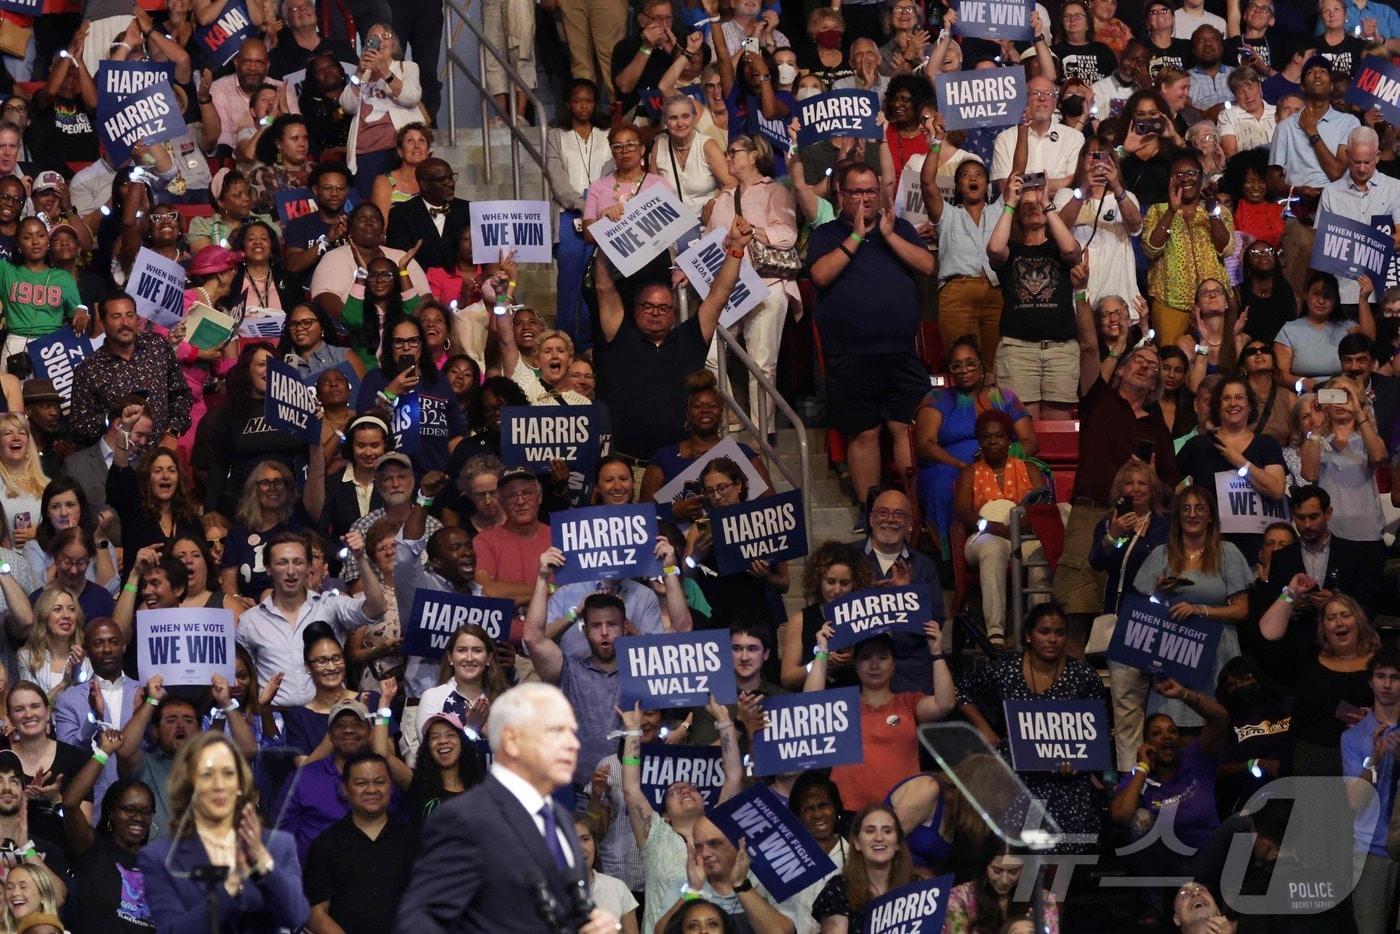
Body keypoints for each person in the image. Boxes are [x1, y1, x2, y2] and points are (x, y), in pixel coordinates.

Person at [393, 683, 622, 932]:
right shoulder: (463, 817)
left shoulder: (559, 820)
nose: (572, 745)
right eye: (554, 733)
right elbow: (420, 918)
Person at [807, 162, 934, 513]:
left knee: (904, 425)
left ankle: (912, 512)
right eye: (857, 192)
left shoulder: (899, 228)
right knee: (863, 432)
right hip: (849, 353)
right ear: (841, 195)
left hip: (899, 351)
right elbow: (819, 275)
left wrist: (890, 236)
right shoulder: (827, 234)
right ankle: (870, 511)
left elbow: (926, 266)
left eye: (871, 191)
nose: (865, 198)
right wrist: (857, 236)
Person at [592, 218, 748, 465]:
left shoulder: (689, 338)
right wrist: (604, 244)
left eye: (663, 307)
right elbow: (603, 287)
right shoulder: (619, 333)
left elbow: (719, 294)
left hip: (681, 465)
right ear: (636, 309)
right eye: (648, 306)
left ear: (673, 313)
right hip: (629, 465)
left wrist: (736, 248)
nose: (655, 312)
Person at [955, 604, 1109, 852]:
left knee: (1070, 816)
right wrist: (984, 729)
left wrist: (1081, 762)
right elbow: (960, 690)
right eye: (1044, 631)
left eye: (1059, 633)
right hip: (1015, 768)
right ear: (1028, 635)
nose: (1052, 639)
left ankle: (1054, 889)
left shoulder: (1083, 675)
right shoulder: (1005, 668)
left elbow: (1095, 727)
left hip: (1065, 776)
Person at [139, 732, 308, 931]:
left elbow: (296, 917)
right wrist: (229, 889)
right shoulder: (160, 858)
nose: (219, 785)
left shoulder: (279, 845)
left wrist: (263, 863)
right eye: (207, 775)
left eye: (228, 773)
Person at [617, 696, 744, 934]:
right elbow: (631, 789)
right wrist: (633, 733)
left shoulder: (720, 826)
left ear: (705, 803)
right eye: (675, 791)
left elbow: (734, 776)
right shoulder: (654, 834)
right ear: (665, 814)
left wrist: (724, 721)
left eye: (691, 788)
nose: (685, 790)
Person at [1109, 680, 1230, 926]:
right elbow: (1120, 816)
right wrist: (1142, 767)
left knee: (1240, 823)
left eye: (1171, 731)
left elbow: (1220, 718)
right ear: (1147, 744)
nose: (1166, 736)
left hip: (1207, 859)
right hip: (1170, 865)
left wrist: (1183, 694)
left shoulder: (1195, 758)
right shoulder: (1140, 776)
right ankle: (1152, 904)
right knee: (1140, 820)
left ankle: (1233, 899)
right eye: (1157, 733)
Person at [702, 133, 796, 436]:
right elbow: (707, 244)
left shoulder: (775, 191)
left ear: (754, 156)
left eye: (733, 152)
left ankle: (761, 435)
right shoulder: (722, 199)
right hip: (731, 288)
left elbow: (787, 234)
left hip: (767, 283)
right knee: (709, 356)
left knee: (762, 363)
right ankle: (730, 414)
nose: (728, 157)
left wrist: (751, 231)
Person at [806, 623, 953, 812]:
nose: (874, 665)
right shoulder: (841, 706)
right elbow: (808, 708)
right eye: (865, 658)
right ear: (856, 665)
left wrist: (937, 653)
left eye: (882, 658)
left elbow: (945, 704)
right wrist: (822, 651)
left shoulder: (908, 702)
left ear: (893, 665)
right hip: (848, 812)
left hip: (902, 811)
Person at [236, 530, 384, 706]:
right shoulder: (249, 622)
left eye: (298, 562)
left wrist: (360, 558)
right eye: (282, 563)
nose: (291, 571)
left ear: (308, 567)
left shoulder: (330, 605)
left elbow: (377, 608)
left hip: (327, 714)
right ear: (268, 568)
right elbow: (245, 681)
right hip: (276, 719)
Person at [954, 410, 1049, 647]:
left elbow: (1042, 506)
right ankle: (995, 634)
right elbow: (963, 512)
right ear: (980, 440)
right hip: (984, 535)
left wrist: (1020, 524)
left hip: (1023, 535)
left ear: (1010, 439)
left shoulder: (1029, 469)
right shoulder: (970, 472)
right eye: (987, 437)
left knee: (1040, 557)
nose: (993, 441)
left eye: (999, 436)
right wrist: (990, 525)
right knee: (994, 550)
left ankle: (1039, 628)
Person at [1268, 55, 1358, 301]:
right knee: (1295, 290)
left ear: (1331, 85)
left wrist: (1312, 132)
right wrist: (1298, 190)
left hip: (1338, 216)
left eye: (1323, 71)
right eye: (1310, 72)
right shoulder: (1286, 127)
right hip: (1301, 215)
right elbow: (1273, 180)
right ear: (1302, 86)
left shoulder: (1348, 122)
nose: (1317, 74)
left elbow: (1336, 172)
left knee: (1338, 294)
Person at [276, 696, 407, 864]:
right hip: (316, 878)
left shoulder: (384, 777)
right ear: (329, 734)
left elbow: (402, 826)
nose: (348, 730)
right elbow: (280, 837)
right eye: (340, 725)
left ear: (369, 732)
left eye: (356, 724)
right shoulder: (303, 778)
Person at [304, 751, 418, 934]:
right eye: (361, 783)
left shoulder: (414, 840)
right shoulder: (325, 844)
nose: (371, 790)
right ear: (344, 788)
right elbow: (316, 914)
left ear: (391, 787)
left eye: (379, 782)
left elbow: (430, 902)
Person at [639, 369, 771, 523]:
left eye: (712, 406)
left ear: (721, 413)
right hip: (679, 544)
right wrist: (672, 511)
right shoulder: (664, 457)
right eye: (698, 406)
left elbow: (771, 507)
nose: (706, 410)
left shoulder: (742, 454)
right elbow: (642, 516)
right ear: (688, 413)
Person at [69, 293, 193, 448]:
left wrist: (172, 433)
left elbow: (181, 394)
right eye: (116, 316)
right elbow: (79, 427)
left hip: (160, 456)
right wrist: (113, 418)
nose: (125, 322)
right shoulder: (89, 369)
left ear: (137, 318)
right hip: (117, 460)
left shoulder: (158, 346)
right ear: (102, 322)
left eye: (130, 315)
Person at [1143, 152, 1235, 346]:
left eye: (1192, 172)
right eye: (1179, 174)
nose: (1186, 178)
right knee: (1171, 362)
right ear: (1170, 180)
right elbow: (1151, 249)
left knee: (1219, 356)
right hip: (1171, 302)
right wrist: (1171, 211)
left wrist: (1212, 213)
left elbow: (1226, 249)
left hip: (1214, 302)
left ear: (1201, 177)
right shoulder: (1157, 211)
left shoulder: (1218, 212)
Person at [1340, 646, 1400, 931]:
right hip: (1372, 847)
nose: (1387, 684)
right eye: (1381, 676)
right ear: (1371, 681)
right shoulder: (1354, 737)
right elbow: (1354, 802)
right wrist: (1374, 759)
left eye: (1395, 677)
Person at [54, 616, 135, 812]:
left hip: (140, 801)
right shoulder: (69, 700)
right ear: (87, 650)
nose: (107, 649)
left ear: (123, 646)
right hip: (94, 804)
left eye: (113, 642)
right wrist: (93, 717)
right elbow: (68, 755)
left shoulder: (143, 692)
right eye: (98, 643)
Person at [926, 159, 1002, 366]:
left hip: (995, 292)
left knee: (996, 367)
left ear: (987, 182)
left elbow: (1018, 171)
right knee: (962, 365)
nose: (973, 177)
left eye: (979, 174)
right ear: (958, 186)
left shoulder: (999, 210)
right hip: (956, 295)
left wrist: (1023, 130)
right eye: (965, 175)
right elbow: (927, 182)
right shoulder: (947, 215)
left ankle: (991, 400)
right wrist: (936, 143)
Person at [1054, 140, 1144, 310]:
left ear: (1112, 161)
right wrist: (1084, 188)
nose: (1096, 161)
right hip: (1080, 282)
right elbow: (1059, 228)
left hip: (1117, 284)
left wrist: (1116, 186)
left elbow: (1135, 226)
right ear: (1081, 160)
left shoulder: (1126, 196)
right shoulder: (1066, 195)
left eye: (1101, 156)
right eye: (1091, 155)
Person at [63, 773, 156, 934]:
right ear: (111, 812)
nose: (138, 818)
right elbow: (70, 803)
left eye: (146, 812)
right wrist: (104, 753)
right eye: (130, 810)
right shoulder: (93, 847)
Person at [341, 24, 422, 200]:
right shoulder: (363, 73)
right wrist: (360, 71)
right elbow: (347, 105)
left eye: (385, 36)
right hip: (365, 153)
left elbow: (412, 97)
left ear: (393, 44)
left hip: (397, 150)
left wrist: (385, 71)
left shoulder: (407, 67)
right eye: (374, 38)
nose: (380, 41)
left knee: (401, 204)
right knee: (370, 205)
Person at [780, 541, 871, 691]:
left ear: (855, 584)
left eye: (844, 583)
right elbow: (788, 679)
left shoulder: (867, 615)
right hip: (816, 705)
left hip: (857, 699)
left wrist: (858, 658)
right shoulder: (801, 620)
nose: (837, 590)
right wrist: (820, 662)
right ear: (818, 581)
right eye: (830, 582)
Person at [811, 803, 917, 931]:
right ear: (857, 843)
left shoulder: (916, 888)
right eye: (870, 831)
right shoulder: (838, 889)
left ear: (898, 843)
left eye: (887, 831)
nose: (879, 838)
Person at [944, 843, 1059, 933]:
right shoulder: (960, 898)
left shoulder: (1042, 900)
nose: (1004, 880)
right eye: (997, 871)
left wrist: (1039, 927)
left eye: (1013, 871)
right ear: (985, 866)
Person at [385, 158, 470, 274]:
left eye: (451, 177)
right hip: (422, 283)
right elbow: (400, 259)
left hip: (464, 281)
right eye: (443, 180)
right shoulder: (402, 214)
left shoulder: (467, 209)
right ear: (424, 184)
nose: (451, 183)